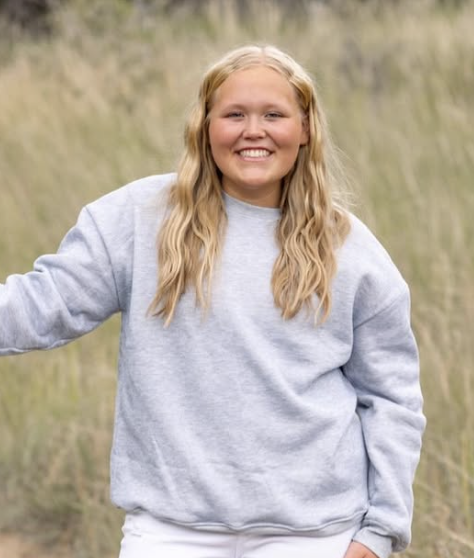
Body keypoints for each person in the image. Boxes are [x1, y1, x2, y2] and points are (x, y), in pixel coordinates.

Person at [0, 45, 425, 558]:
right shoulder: (140, 219)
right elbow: (41, 305)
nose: (254, 131)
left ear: (305, 128)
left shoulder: (349, 249)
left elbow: (392, 397)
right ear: (204, 126)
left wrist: (380, 531)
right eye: (234, 115)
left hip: (313, 533)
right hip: (170, 530)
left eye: (274, 115)